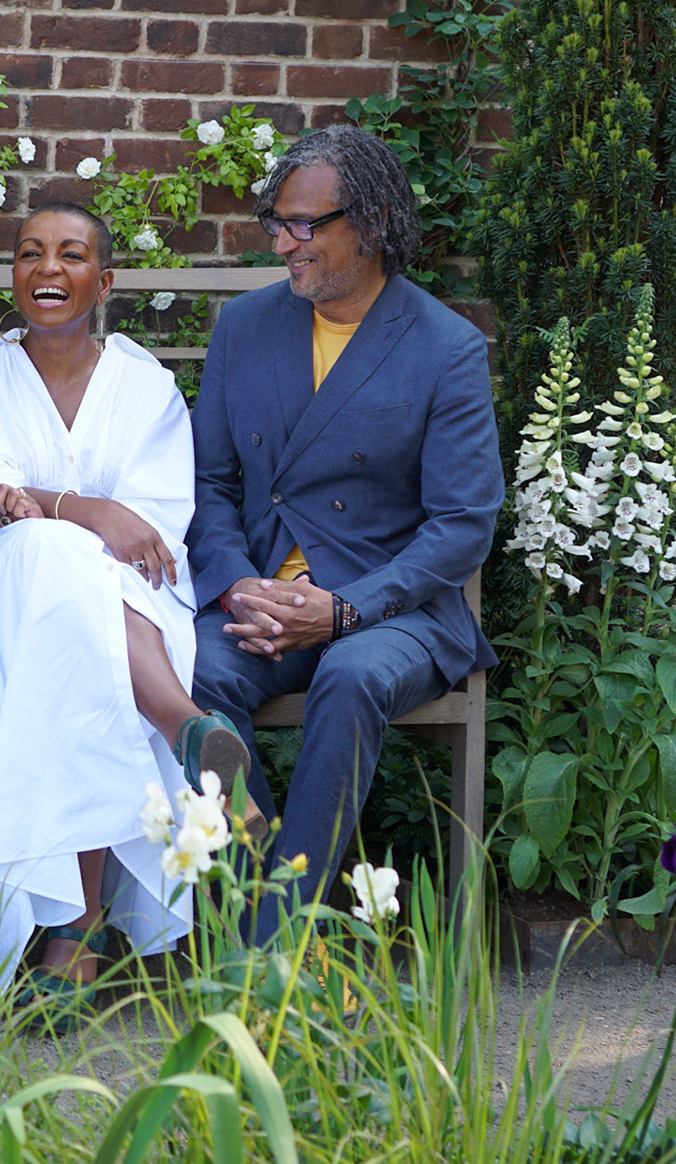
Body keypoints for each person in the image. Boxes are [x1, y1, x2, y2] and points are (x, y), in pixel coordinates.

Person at [186, 125, 503, 946]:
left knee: (353, 678)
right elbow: (212, 486)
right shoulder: (247, 327)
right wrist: (234, 585)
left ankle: (270, 940)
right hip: (261, 600)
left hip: (392, 610)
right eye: (278, 224)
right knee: (191, 671)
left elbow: (465, 521)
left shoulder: (445, 347)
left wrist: (344, 611)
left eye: (305, 226)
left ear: (372, 224)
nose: (286, 245)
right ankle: (259, 890)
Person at [0, 203, 252, 1003]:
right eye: (30, 254)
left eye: (71, 255)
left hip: (129, 608)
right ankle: (181, 724)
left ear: (103, 281)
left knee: (73, 601)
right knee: (49, 551)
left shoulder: (146, 388)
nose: (48, 269)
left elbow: (152, 533)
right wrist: (87, 509)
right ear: (13, 274)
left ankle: (76, 926)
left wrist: (52, 503)